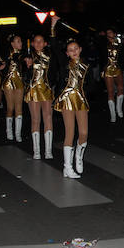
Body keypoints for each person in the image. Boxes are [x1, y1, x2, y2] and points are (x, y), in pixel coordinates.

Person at [54, 38, 90, 178]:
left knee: (84, 133)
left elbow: (91, 83)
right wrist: (52, 28)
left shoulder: (86, 65)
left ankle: (79, 157)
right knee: (70, 132)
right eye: (70, 50)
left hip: (80, 100)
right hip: (66, 99)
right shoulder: (64, 64)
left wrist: (85, 93)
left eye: (76, 48)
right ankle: (67, 168)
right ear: (67, 53)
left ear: (80, 49)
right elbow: (55, 47)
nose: (74, 51)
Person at [24, 19, 59, 160]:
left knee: (48, 117)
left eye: (41, 41)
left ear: (45, 43)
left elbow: (55, 72)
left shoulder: (50, 55)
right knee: (35, 119)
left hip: (47, 90)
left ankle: (48, 150)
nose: (38, 43)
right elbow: (24, 76)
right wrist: (28, 66)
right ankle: (37, 151)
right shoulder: (27, 57)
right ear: (32, 44)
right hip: (33, 90)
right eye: (36, 41)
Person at [1, 34, 25, 142]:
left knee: (19, 107)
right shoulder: (7, 54)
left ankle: (18, 133)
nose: (20, 43)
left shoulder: (23, 55)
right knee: (10, 107)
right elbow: (1, 66)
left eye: (20, 41)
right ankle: (9, 131)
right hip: (9, 82)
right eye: (18, 41)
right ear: (12, 44)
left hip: (19, 82)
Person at [102, 28, 124, 123]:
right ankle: (113, 114)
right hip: (107, 69)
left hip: (118, 67)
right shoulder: (104, 44)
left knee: (121, 88)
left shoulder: (119, 44)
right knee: (110, 91)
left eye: (111, 32)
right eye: (107, 33)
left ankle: (119, 109)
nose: (109, 34)